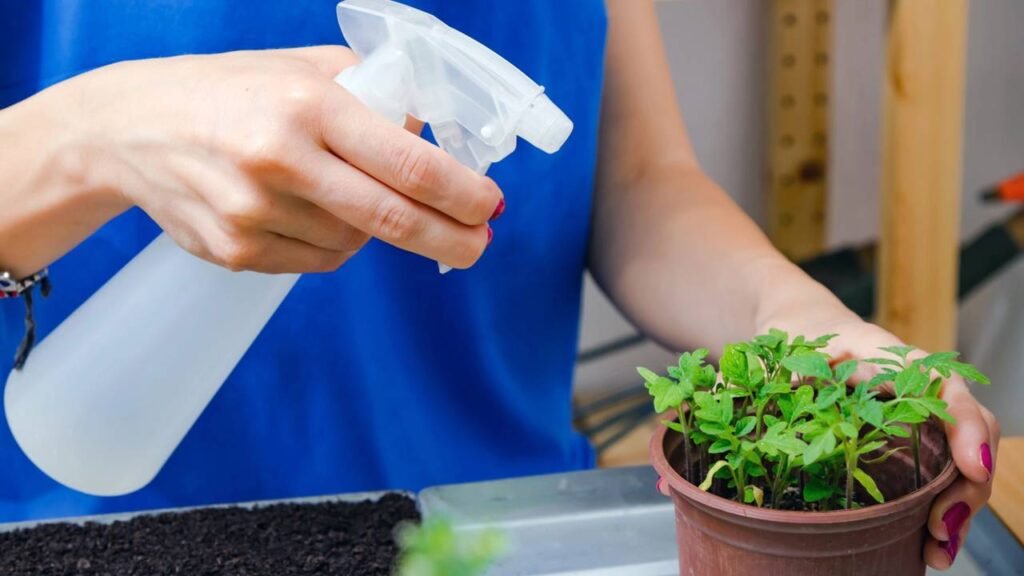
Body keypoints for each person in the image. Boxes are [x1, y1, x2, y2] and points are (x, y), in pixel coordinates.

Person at [0, 1, 996, 569]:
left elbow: (640, 183)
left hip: (494, 530)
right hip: (102, 532)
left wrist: (797, 323)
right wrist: (88, 137)